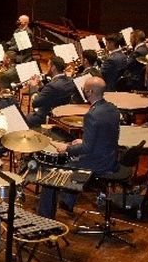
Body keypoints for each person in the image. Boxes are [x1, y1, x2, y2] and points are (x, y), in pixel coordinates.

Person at [38, 77, 121, 218]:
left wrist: (66, 148)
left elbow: (87, 149)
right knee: (75, 154)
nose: (82, 90)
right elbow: (105, 137)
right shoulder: (113, 108)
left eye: (84, 89)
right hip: (110, 158)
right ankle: (67, 202)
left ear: (90, 92)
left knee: (50, 176)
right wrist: (82, 141)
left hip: (96, 164)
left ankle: (45, 219)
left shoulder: (92, 115)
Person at [25, 57, 76, 127]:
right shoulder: (70, 81)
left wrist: (33, 87)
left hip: (48, 117)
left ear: (53, 67)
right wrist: (41, 86)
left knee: (24, 120)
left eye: (48, 66)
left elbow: (36, 103)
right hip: (61, 114)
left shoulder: (52, 86)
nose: (47, 68)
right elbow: (50, 94)